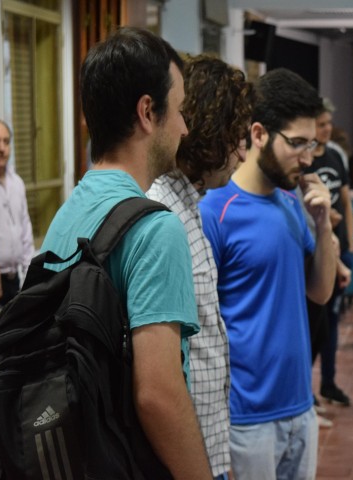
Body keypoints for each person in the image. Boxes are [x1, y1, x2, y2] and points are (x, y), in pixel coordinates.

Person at [39, 27, 213, 480]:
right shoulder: (156, 229)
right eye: (179, 110)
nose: (185, 128)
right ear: (147, 112)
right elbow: (158, 394)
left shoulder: (67, 213)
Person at [199, 68, 336, 480]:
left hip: (300, 407)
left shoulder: (291, 202)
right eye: (296, 143)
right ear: (258, 134)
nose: (308, 158)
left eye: (312, 144)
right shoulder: (214, 211)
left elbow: (321, 292)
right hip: (246, 419)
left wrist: (323, 225)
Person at [147, 53, 255, 480]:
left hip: (206, 450)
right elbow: (158, 384)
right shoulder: (163, 213)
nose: (242, 154)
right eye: (237, 138)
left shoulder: (189, 206)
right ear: (212, 133)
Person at [305, 98, 353, 407]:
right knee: (315, 325)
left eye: (328, 124)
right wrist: (324, 220)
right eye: (320, 124)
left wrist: (351, 242)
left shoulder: (336, 156)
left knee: (332, 322)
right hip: (317, 251)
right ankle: (305, 388)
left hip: (340, 247)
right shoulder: (304, 160)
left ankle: (329, 382)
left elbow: (346, 202)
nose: (326, 129)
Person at [0, 119, 35, 311]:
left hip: (15, 278)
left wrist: (29, 274)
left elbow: (25, 229)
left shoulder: (17, 183)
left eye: (6, 142)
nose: (2, 148)